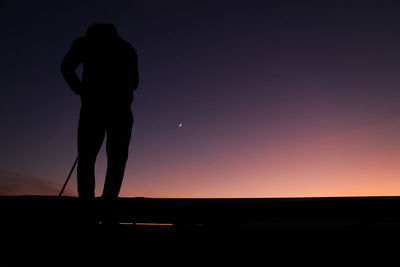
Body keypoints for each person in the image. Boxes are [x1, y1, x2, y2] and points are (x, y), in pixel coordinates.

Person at [61, 23, 139, 199]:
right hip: (119, 109)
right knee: (116, 160)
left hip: (94, 108)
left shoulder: (85, 42)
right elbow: (135, 82)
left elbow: (66, 66)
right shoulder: (127, 48)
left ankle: (88, 206)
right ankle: (108, 202)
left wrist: (80, 89)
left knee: (87, 158)